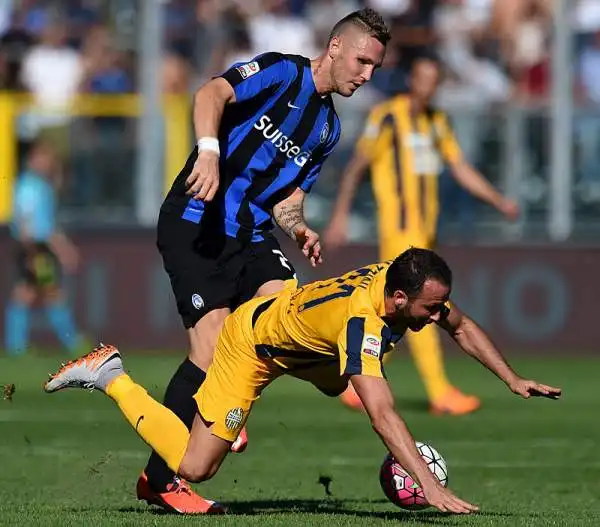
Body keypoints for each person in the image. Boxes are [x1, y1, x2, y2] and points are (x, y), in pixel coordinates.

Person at [44, 248, 561, 515]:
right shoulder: (364, 324)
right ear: (400, 299)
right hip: (253, 347)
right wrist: (429, 486)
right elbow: (383, 414)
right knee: (196, 466)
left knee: (351, 385)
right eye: (427, 309)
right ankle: (111, 375)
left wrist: (512, 379)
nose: (435, 316)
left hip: (308, 346)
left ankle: (226, 419)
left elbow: (462, 325)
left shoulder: (400, 277)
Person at [141, 8, 390, 514]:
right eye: (363, 62)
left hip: (252, 235)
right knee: (209, 352)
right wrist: (208, 152)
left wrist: (299, 227)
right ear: (336, 46)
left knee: (286, 317)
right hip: (197, 221)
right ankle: (165, 479)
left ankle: (238, 403)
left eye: (376, 69)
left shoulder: (327, 130)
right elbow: (209, 93)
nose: (367, 76)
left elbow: (287, 199)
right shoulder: (282, 71)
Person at [324, 55, 520, 416]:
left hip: (425, 231)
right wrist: (339, 215)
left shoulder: (437, 121)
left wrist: (497, 200)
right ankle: (439, 391)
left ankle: (355, 382)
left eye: (435, 78)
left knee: (398, 313)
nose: (429, 85)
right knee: (427, 309)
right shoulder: (387, 116)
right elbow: (357, 167)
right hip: (399, 230)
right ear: (412, 79)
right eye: (423, 77)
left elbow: (459, 167)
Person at [4, 139, 82, 356]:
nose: (48, 163)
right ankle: (71, 342)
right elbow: (32, 223)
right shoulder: (30, 186)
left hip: (35, 248)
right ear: (33, 159)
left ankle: (16, 345)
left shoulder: (38, 185)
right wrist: (60, 250)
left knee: (29, 292)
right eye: (44, 158)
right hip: (35, 249)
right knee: (50, 292)